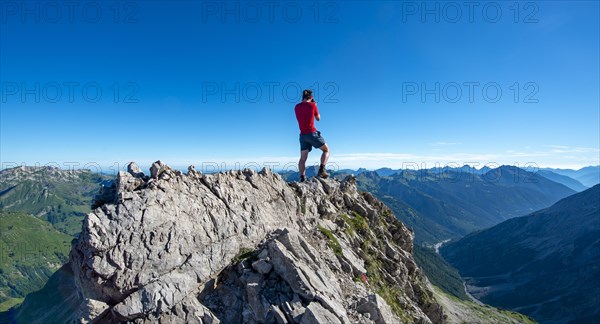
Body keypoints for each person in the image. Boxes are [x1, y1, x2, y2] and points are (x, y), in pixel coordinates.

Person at [295, 89, 330, 182]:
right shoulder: (313, 105)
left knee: (302, 159)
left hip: (302, 135)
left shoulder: (296, 107)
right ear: (311, 98)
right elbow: (318, 118)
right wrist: (315, 105)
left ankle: (302, 178)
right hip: (312, 133)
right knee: (326, 150)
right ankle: (322, 170)